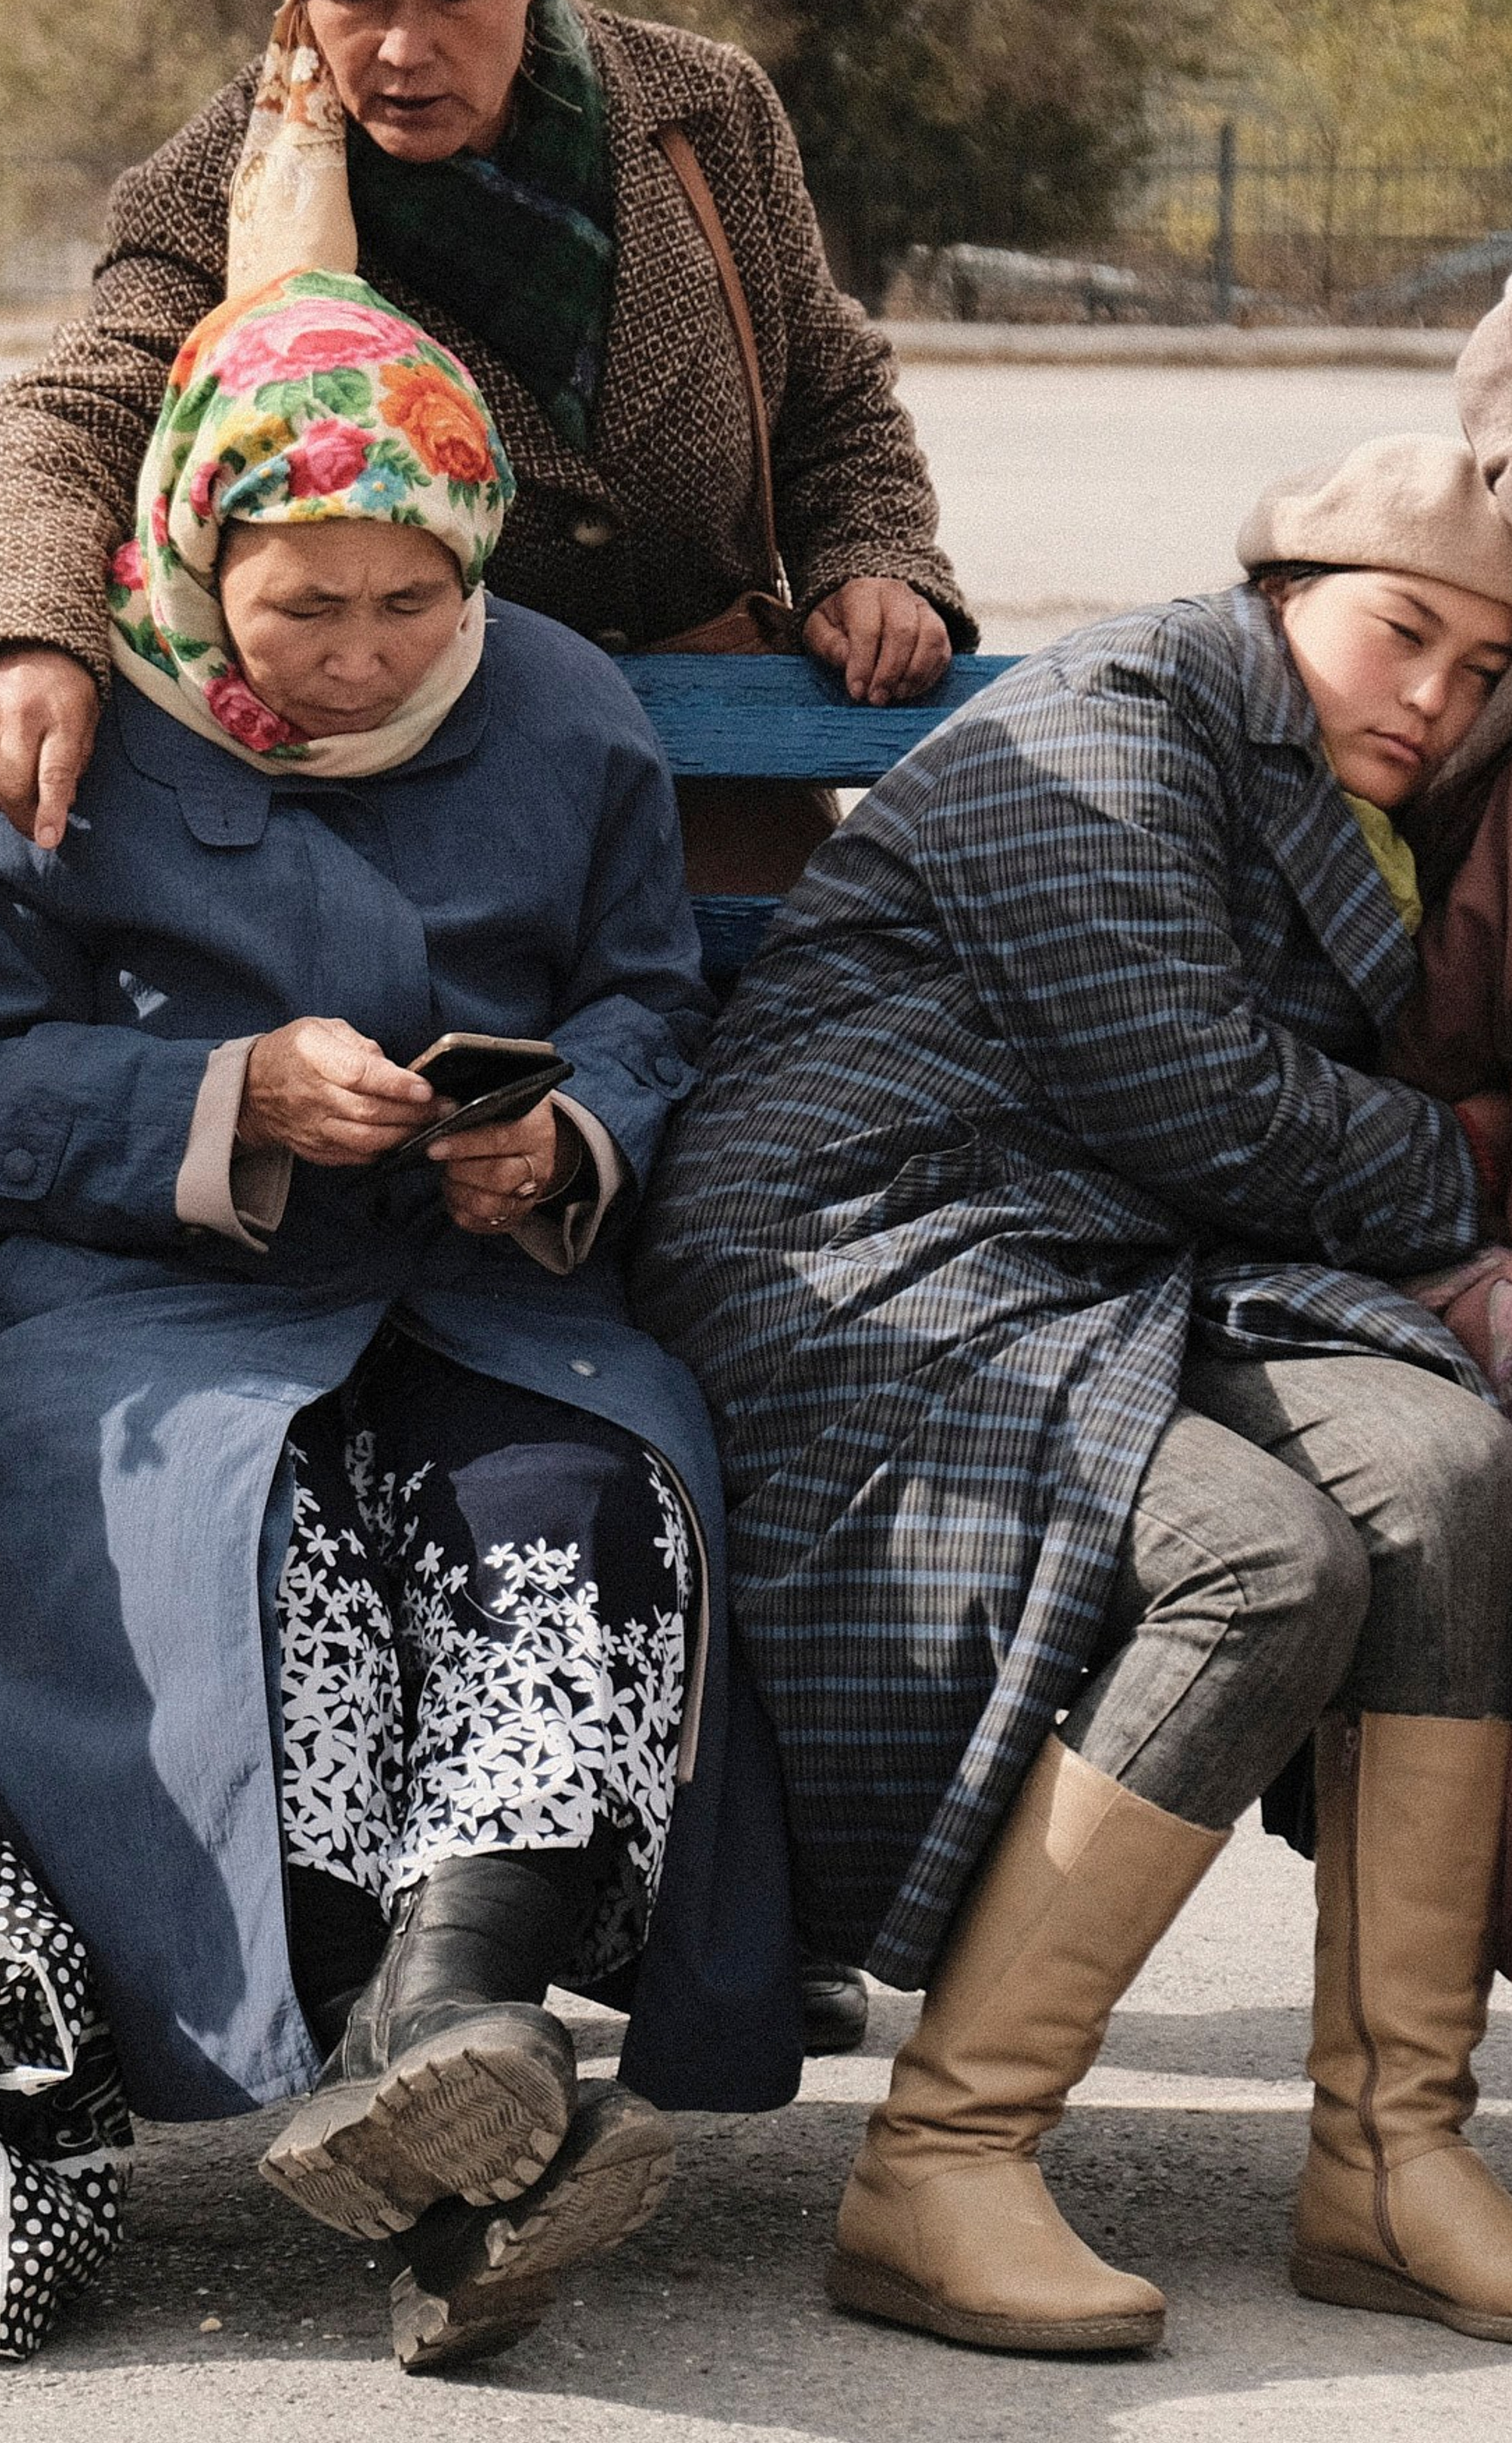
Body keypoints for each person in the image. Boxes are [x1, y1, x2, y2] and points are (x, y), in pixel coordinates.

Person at [0, 273, 798, 2374]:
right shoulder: (49, 713)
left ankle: (445, 2035)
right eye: (301, 606)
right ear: (191, 548)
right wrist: (224, 1099)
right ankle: (457, 2110)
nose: (358, 660)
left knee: (587, 1509)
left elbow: (643, 998)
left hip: (475, 1295)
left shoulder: (560, 705)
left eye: (409, 603)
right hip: (135, 1318)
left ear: (474, 562)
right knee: (268, 1562)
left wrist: (563, 1142)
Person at [636, 433, 1512, 2355]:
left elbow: (1209, 1138)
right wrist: (1466, 1162)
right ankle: (942, 2160)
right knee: (1261, 1558)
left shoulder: (1346, 791)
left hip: (1123, 1252)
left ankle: (1388, 2159)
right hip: (868, 1243)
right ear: (1283, 590)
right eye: (1401, 634)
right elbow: (1195, 1091)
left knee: (1445, 1468)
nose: (1435, 696)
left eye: (1483, 668)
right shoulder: (1120, 713)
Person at [0, 0, 974, 895]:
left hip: (720, 816)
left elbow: (830, 396)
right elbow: (54, 429)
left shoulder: (705, 117)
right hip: (416, 842)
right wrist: (24, 631)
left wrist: (871, 560)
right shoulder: (227, 190)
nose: (404, 46)